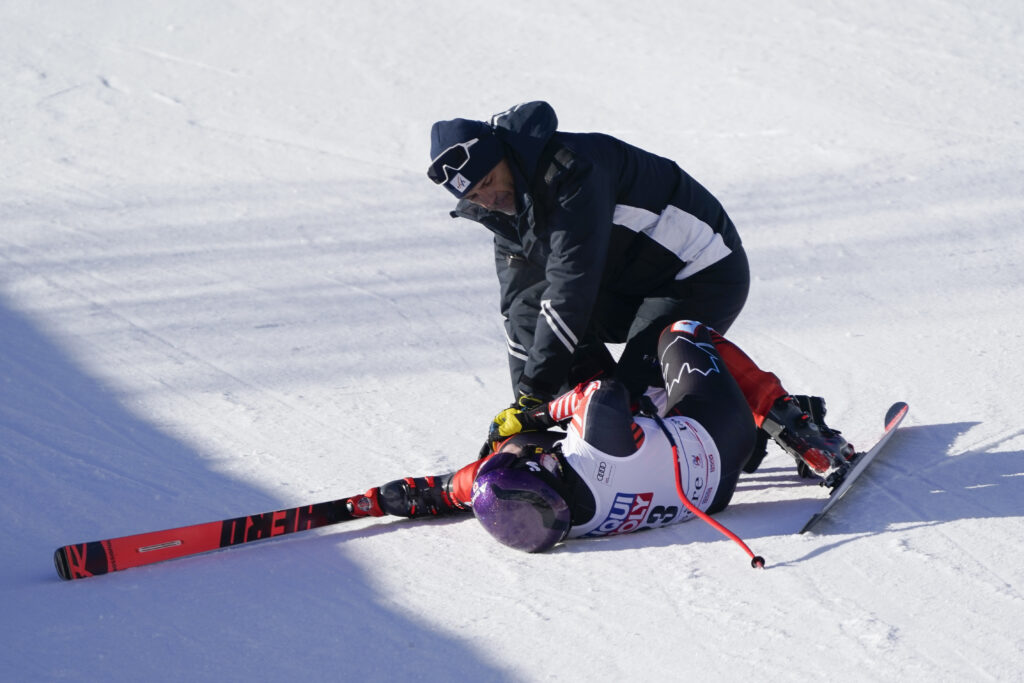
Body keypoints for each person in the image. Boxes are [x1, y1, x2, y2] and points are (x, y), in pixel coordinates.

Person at [346, 320, 855, 553]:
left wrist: (395, 499)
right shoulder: (592, 451)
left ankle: (761, 423)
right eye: (527, 455)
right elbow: (601, 395)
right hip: (712, 434)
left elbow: (462, 489)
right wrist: (534, 416)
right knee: (681, 332)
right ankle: (802, 430)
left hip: (713, 494)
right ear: (546, 464)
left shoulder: (558, 524)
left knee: (639, 408)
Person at [427, 101, 750, 423]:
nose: (488, 200)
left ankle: (765, 412)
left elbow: (572, 285)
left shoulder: (571, 171)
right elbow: (517, 314)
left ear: (505, 157)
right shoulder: (507, 209)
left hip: (699, 275)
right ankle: (590, 422)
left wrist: (536, 392)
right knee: (529, 311)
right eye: (472, 197)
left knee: (643, 408)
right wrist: (527, 414)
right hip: (631, 284)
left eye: (487, 182)